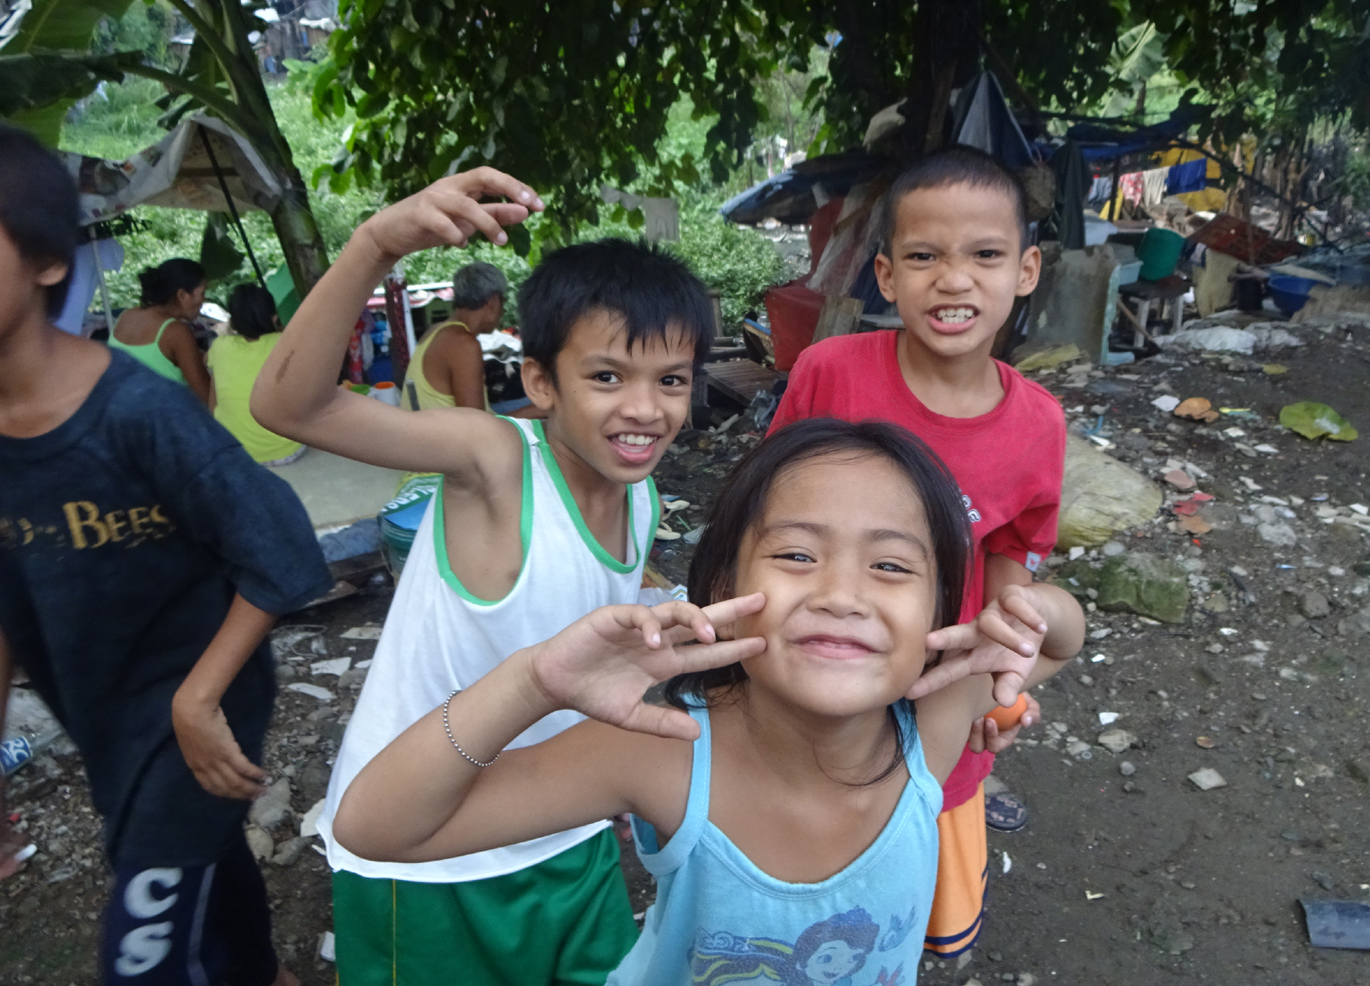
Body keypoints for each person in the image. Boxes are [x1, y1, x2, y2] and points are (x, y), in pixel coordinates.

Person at [331, 418, 1045, 986]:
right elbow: (376, 829)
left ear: (941, 616)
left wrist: (1037, 613)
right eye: (797, 555)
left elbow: (1056, 637)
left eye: (890, 565)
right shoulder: (667, 751)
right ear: (725, 594)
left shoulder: (933, 727)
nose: (841, 594)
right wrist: (530, 684)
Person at [250, 168, 719, 986]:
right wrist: (376, 244)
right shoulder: (496, 459)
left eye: (670, 379)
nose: (646, 408)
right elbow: (291, 405)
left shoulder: (640, 493)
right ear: (540, 382)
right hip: (426, 851)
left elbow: (599, 606)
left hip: (560, 823)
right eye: (607, 376)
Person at [0, 124, 329, 985]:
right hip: (102, 710)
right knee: (201, 861)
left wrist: (198, 695)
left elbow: (283, 546)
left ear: (47, 261)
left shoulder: (139, 415)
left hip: (199, 706)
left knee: (142, 951)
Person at [769, 146, 1086, 960]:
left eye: (985, 255)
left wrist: (1001, 670)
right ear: (885, 273)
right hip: (819, 675)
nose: (953, 280)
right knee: (791, 894)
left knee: (899, 913)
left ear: (1026, 270)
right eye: (923, 256)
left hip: (940, 700)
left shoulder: (1038, 423)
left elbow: (1013, 552)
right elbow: (765, 522)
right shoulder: (829, 374)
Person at [206, 284, 305, 465]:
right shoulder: (287, 344)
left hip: (237, 452)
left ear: (232, 321)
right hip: (287, 450)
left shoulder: (219, 347)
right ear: (274, 317)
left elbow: (213, 404)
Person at [404, 261, 507, 411]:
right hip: (453, 427)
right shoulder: (463, 344)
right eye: (503, 302)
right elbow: (475, 421)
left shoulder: (436, 330)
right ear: (494, 302)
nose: (503, 312)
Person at [109, 257, 212, 404]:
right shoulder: (176, 331)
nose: (204, 300)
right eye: (202, 293)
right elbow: (206, 396)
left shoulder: (127, 315)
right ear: (182, 295)